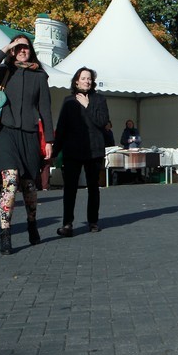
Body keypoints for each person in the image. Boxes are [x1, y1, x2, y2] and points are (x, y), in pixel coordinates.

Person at [0, 35, 54, 255]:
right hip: (4, 133)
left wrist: (49, 140)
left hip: (30, 136)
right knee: (10, 181)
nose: (23, 50)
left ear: (31, 50)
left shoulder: (40, 76)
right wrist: (8, 48)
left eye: (26, 47)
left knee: (29, 187)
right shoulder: (5, 71)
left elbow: (45, 109)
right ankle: (5, 233)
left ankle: (32, 223)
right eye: (19, 47)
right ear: (13, 49)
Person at [53, 67, 110, 236]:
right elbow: (62, 127)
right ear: (76, 81)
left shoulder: (99, 100)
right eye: (83, 78)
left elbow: (102, 122)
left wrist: (87, 105)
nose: (87, 81)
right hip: (73, 150)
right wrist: (55, 151)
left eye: (89, 78)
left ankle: (93, 221)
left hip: (94, 150)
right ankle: (67, 224)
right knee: (70, 189)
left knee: (93, 187)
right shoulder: (68, 100)